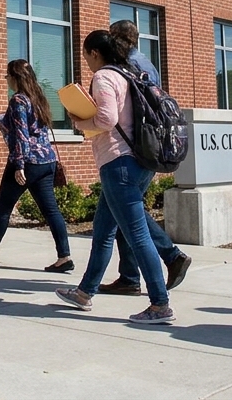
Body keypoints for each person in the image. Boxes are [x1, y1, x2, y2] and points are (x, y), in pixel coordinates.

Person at [55, 30, 174, 325]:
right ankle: (84, 292)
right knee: (103, 229)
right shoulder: (129, 74)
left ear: (96, 53)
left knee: (137, 235)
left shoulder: (105, 77)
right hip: (139, 161)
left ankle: (160, 305)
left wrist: (79, 121)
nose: (87, 63)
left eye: (86, 57)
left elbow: (107, 119)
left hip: (118, 164)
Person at [98, 20, 193, 296]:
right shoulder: (146, 64)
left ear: (119, 39)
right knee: (124, 211)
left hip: (133, 150)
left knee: (129, 211)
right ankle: (129, 276)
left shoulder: (129, 66)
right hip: (144, 148)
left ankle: (170, 257)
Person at [0, 59, 71, 272]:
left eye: (8, 77)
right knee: (51, 211)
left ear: (15, 77)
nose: (7, 81)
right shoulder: (39, 97)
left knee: (3, 208)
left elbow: (22, 134)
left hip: (26, 161)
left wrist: (19, 165)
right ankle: (64, 256)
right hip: (47, 160)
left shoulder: (18, 101)